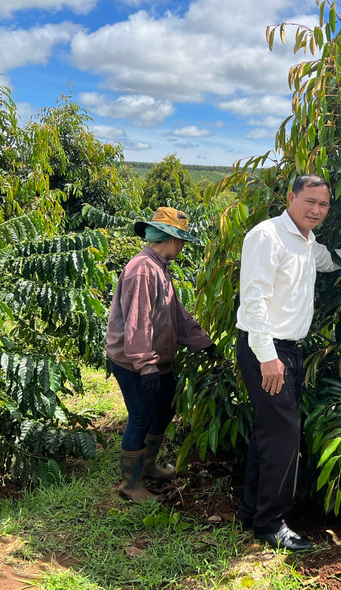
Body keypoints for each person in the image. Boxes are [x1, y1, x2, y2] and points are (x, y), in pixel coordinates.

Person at [236, 174, 341, 551]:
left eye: (324, 204)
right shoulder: (267, 236)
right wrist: (268, 357)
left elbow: (330, 261)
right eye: (309, 201)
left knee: (270, 431)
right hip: (267, 350)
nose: (316, 210)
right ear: (290, 197)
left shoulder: (307, 241)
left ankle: (252, 513)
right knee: (284, 435)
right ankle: (271, 523)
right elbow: (254, 299)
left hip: (289, 351)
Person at [105, 207, 213, 502]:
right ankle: (131, 484)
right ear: (172, 239)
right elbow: (137, 321)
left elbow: (175, 314)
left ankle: (148, 465)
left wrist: (203, 342)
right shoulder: (142, 269)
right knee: (141, 416)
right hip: (133, 361)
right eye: (182, 241)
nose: (183, 247)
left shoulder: (159, 267)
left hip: (156, 358)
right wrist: (146, 365)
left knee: (164, 410)